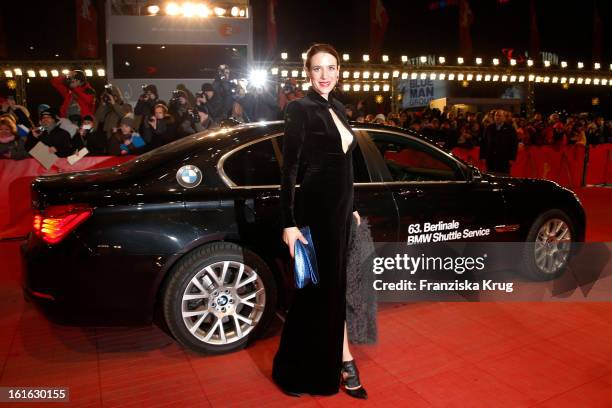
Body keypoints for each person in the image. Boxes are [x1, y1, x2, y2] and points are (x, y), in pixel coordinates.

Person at [272, 43, 366, 399]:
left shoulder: (339, 108)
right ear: (307, 72)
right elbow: (290, 169)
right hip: (312, 216)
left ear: (339, 71)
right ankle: (292, 374)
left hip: (339, 215)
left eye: (331, 68)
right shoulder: (299, 108)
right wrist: (289, 222)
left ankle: (335, 365)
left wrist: (351, 206)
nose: (325, 75)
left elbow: (346, 167)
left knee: (333, 293)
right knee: (311, 294)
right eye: (317, 69)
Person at [480, 109, 518, 175]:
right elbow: (484, 142)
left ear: (504, 118)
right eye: (496, 115)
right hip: (491, 158)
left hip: (504, 159)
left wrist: (512, 158)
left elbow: (514, 144)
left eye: (499, 115)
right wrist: (483, 156)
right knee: (491, 176)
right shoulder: (489, 128)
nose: (497, 117)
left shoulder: (510, 128)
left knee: (503, 177)